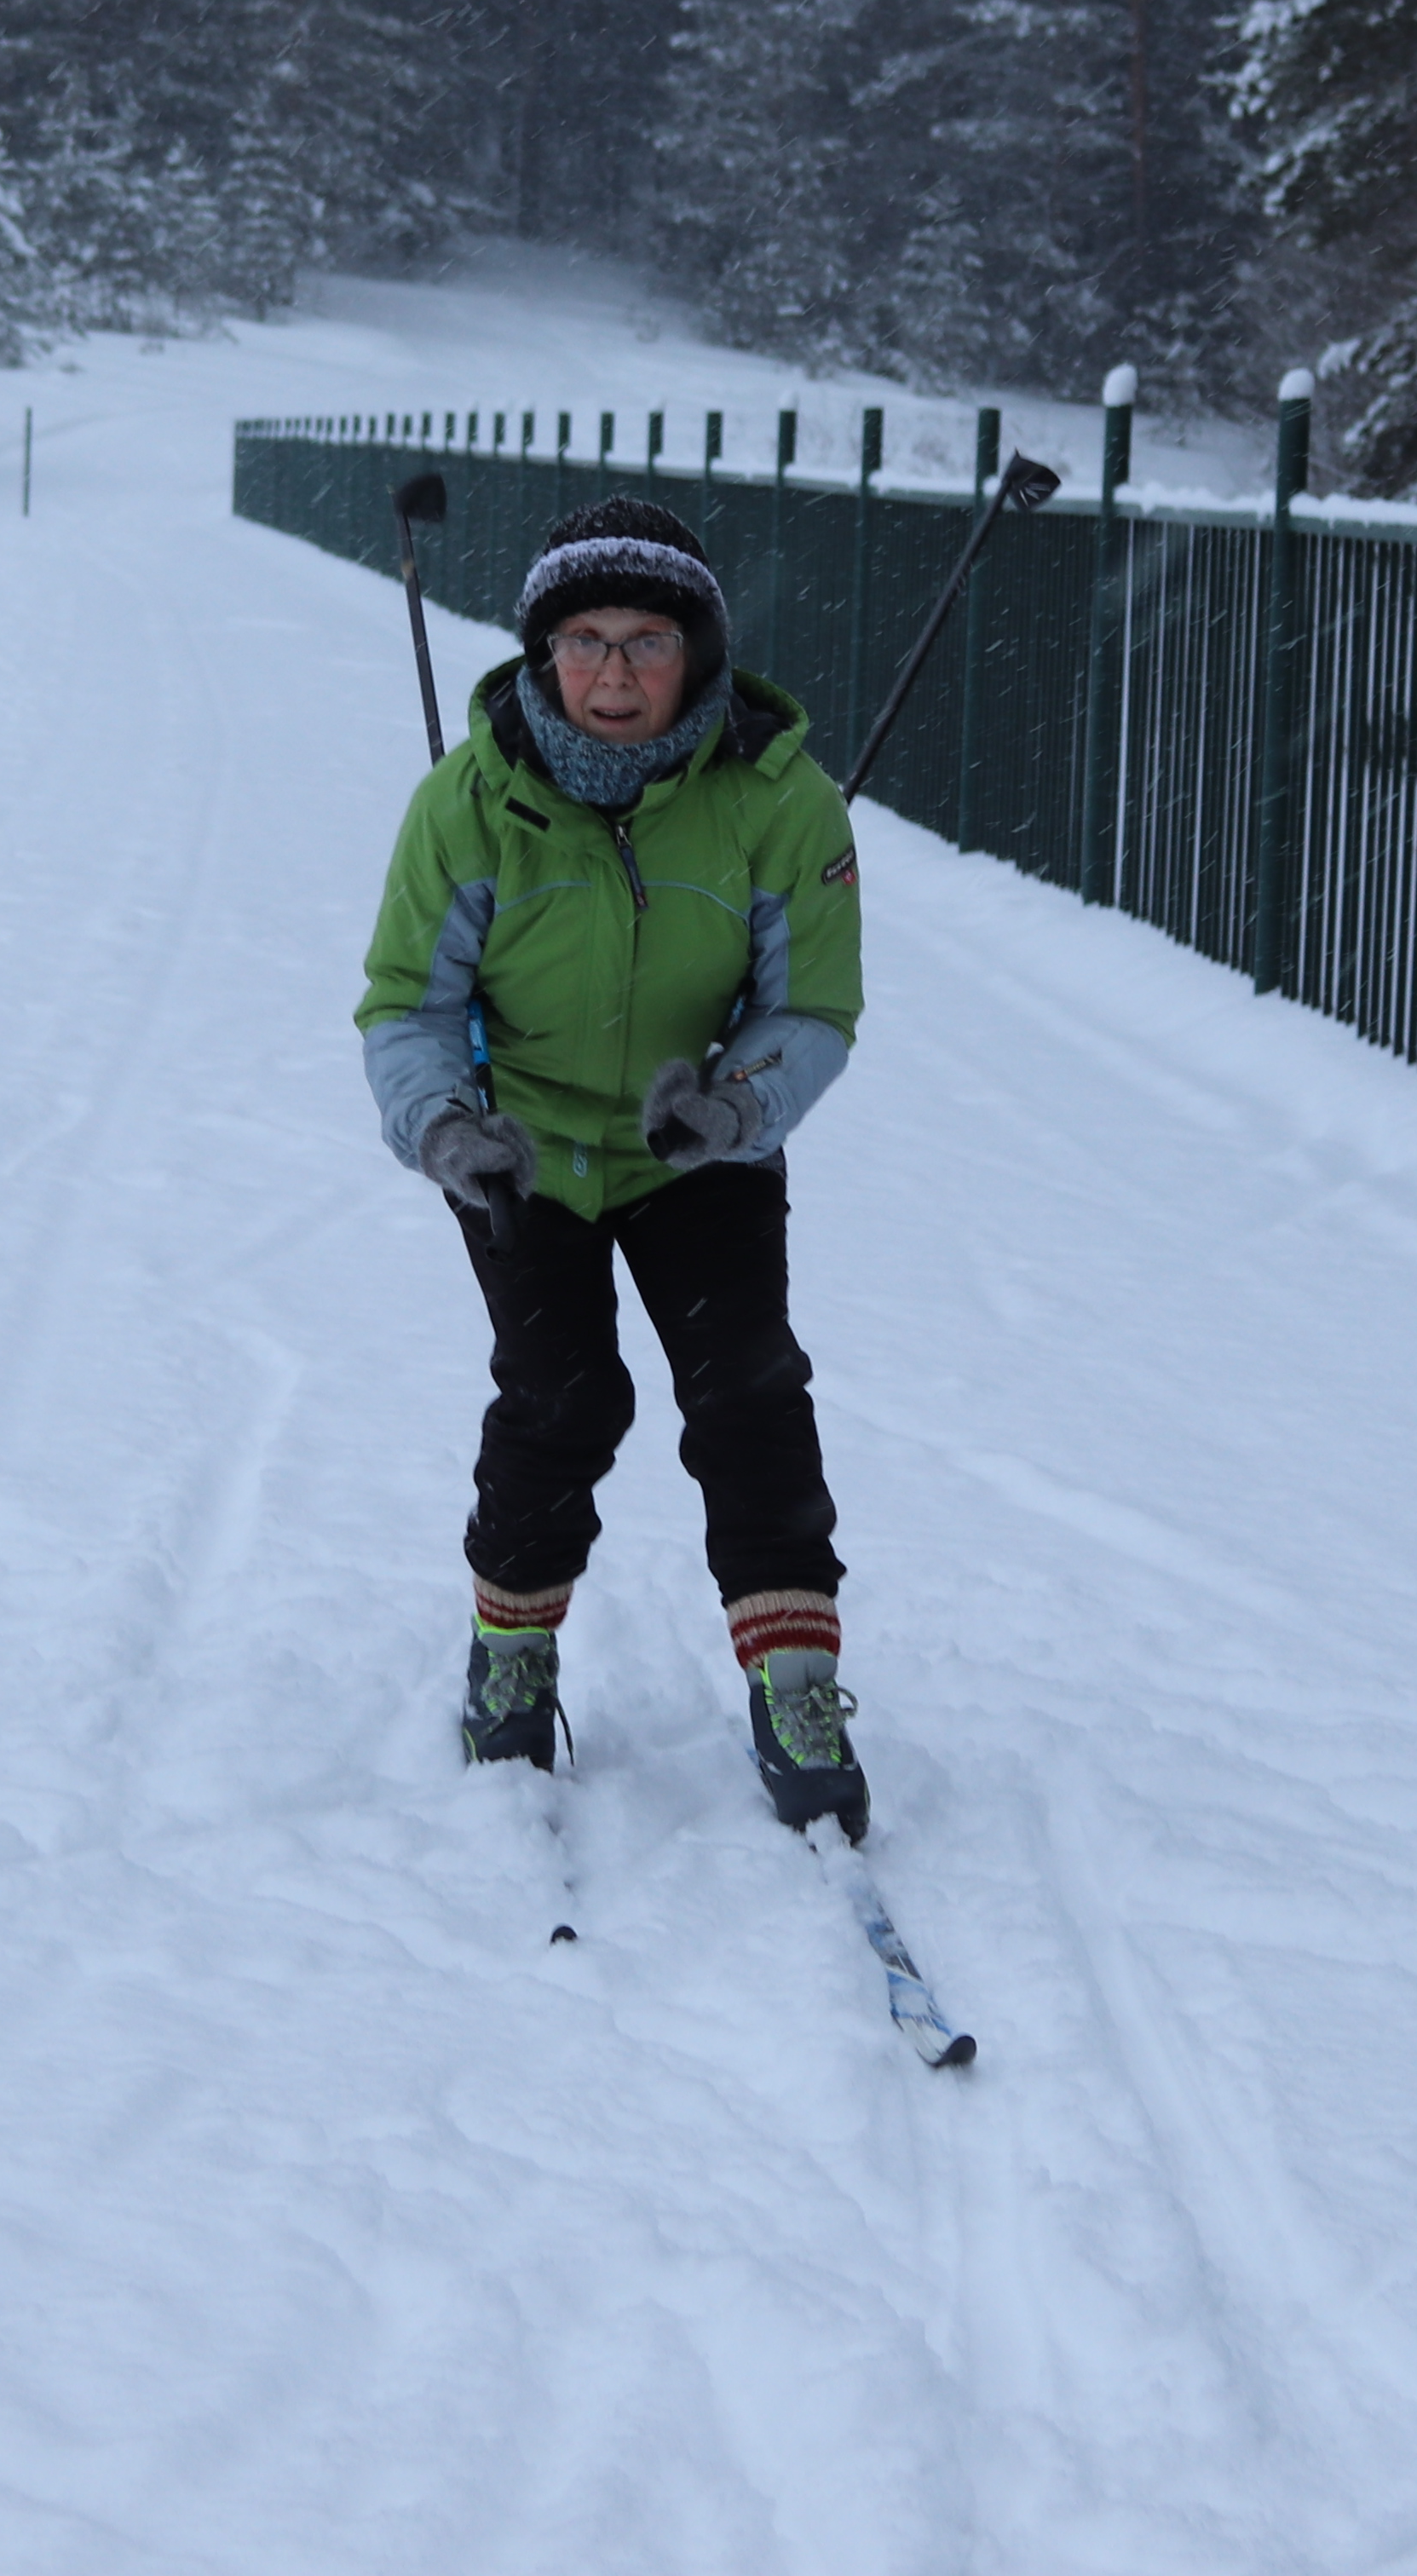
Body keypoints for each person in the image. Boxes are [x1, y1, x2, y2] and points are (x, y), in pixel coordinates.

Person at [353, 493, 874, 1835]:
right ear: (543, 652)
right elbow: (408, 1004)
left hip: (693, 1137)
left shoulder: (776, 796)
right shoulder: (470, 804)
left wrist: (737, 1103)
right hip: (519, 1146)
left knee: (749, 1389)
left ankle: (797, 1683)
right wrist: (443, 1126)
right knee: (563, 1398)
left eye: (648, 639)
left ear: (696, 650)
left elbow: (811, 1005)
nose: (615, 672)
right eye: (584, 639)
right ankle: (510, 1656)